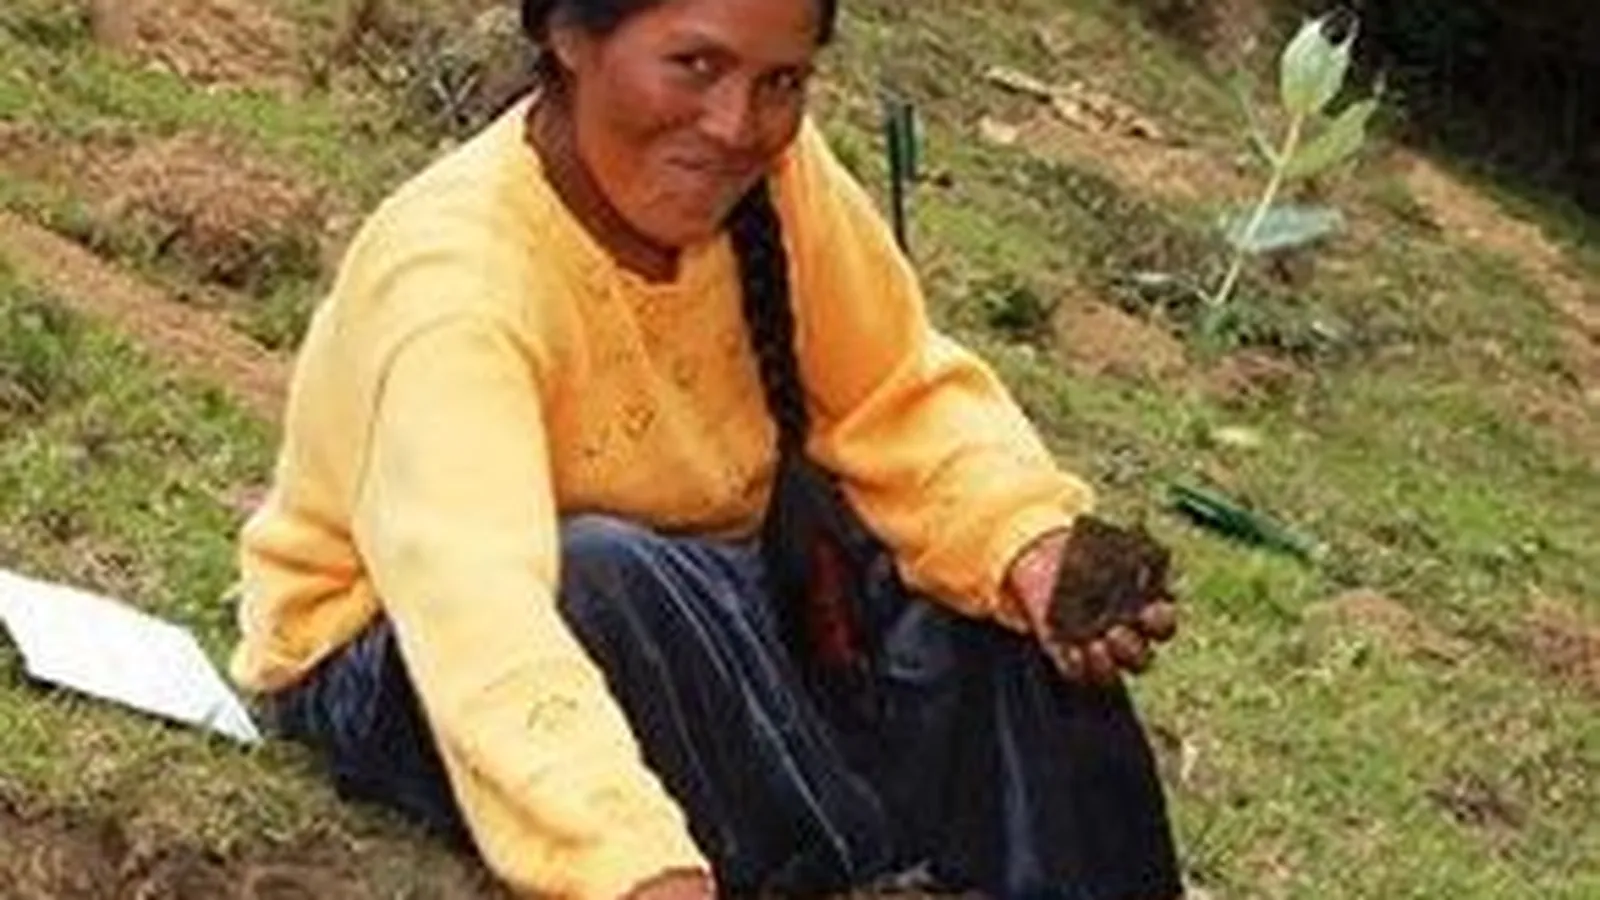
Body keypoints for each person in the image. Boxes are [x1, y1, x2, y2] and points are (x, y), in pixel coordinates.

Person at [228, 0, 1185, 897]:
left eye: (781, 83)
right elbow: (483, 620)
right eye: (693, 65)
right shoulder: (455, 285)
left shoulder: (776, 178)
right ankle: (842, 860)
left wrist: (1026, 543)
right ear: (570, 36)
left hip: (709, 601)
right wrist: (633, 866)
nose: (735, 126)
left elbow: (894, 395)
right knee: (602, 576)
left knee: (984, 603)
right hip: (429, 662)